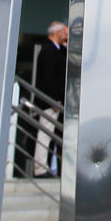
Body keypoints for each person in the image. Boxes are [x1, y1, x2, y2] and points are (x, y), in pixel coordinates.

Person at [19, 22, 66, 177]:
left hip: (55, 101)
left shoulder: (57, 50)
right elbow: (48, 77)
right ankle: (40, 168)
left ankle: (45, 167)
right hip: (49, 102)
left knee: (51, 135)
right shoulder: (48, 50)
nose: (67, 36)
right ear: (57, 33)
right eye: (65, 33)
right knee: (45, 134)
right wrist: (54, 99)